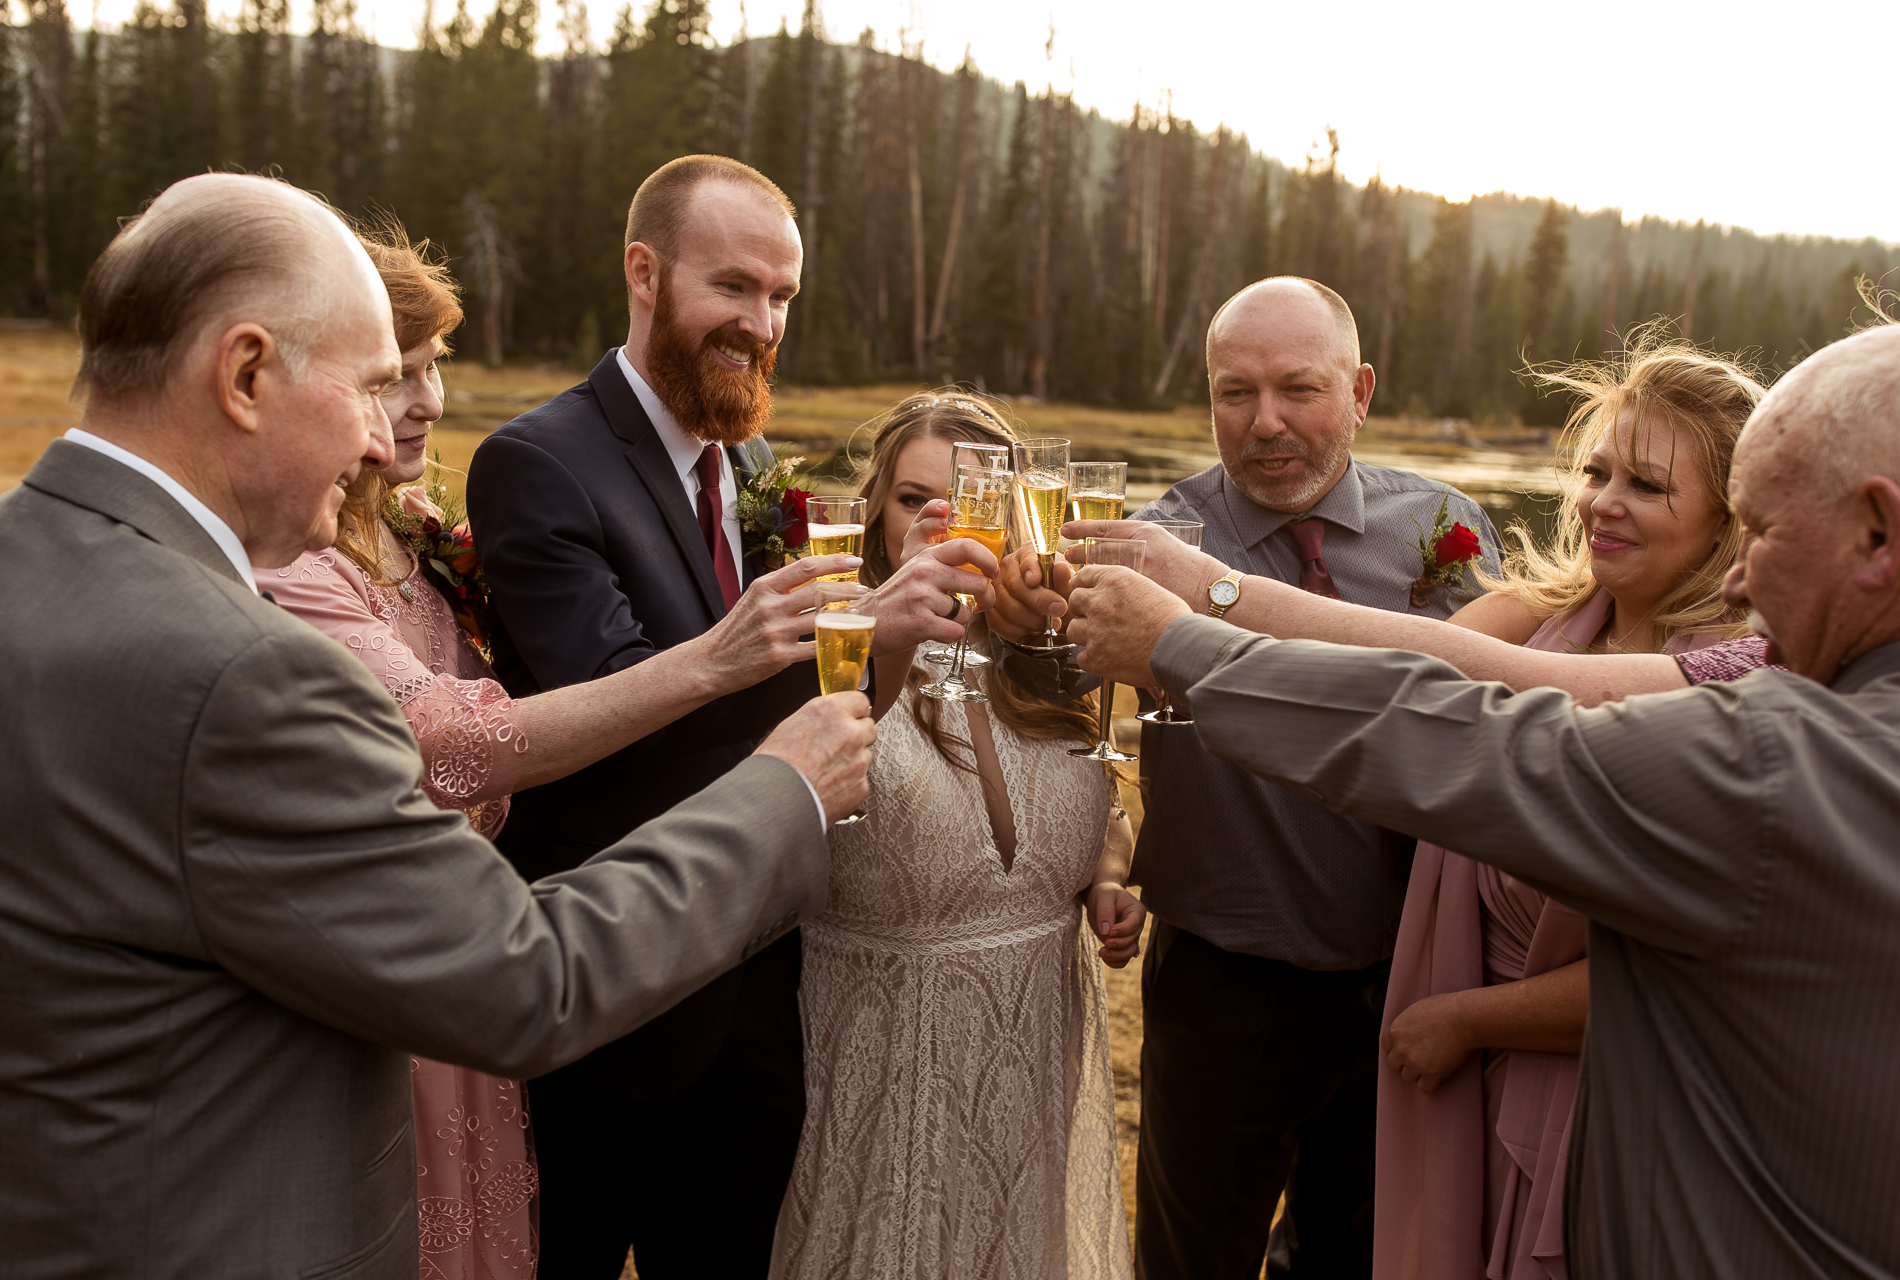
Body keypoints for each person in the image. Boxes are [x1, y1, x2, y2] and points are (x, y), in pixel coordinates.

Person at [0, 172, 875, 1279]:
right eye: (368, 386)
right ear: (246, 372)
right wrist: (780, 789)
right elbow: (522, 979)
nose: (381, 440)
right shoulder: (256, 675)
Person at [1064, 321, 1900, 1278]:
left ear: (1878, 532)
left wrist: (1193, 627)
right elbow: (1420, 662)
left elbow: (1473, 735)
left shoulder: (1781, 749)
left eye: (1766, 530)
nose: (1744, 575)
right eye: (1597, 473)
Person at [257, 223, 866, 1280]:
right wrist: (730, 659)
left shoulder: (408, 524)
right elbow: (452, 737)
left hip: (672, 967)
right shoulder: (324, 555)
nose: (428, 402)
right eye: (390, 377)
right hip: (456, 959)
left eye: (435, 368)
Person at [467, 155, 991, 1278]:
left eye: (783, 298)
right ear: (643, 272)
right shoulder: (535, 463)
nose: (761, 324)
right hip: (607, 995)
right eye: (735, 288)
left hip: (757, 984)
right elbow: (618, 701)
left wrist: (889, 640)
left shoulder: (750, 461)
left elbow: (815, 695)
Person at [1002, 276, 1500, 1278]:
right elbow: (1057, 695)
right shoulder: (1149, 536)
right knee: (1194, 1258)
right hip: (1224, 982)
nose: (1265, 422)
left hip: (1409, 975)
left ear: (1360, 390)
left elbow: (1496, 710)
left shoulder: (1442, 525)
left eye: (1297, 390)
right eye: (1236, 393)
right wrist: (1020, 623)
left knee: (1365, 1254)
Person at [771, 393, 1143, 1280]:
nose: (941, 520)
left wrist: (1106, 875)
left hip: (1030, 1077)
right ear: (873, 512)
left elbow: (1103, 809)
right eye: (911, 499)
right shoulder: (825, 652)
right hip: (879, 1077)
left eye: (970, 496)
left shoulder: (1053, 658)